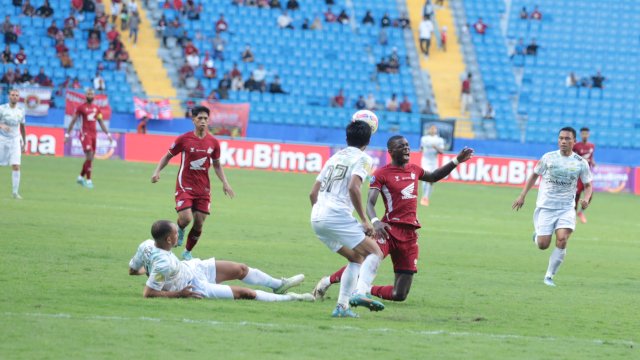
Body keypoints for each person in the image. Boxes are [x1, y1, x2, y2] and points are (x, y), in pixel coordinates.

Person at [313, 136, 474, 302]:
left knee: (400, 294)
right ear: (390, 151)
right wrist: (375, 222)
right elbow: (370, 202)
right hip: (388, 231)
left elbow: (433, 176)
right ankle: (327, 281)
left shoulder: (414, 169)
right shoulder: (382, 174)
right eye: (401, 146)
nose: (406, 148)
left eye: (407, 146)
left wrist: (456, 161)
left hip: (410, 235)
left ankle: (365, 289)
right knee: (366, 259)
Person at [309, 120, 385, 318]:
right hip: (335, 215)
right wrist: (364, 220)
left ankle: (342, 307)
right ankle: (360, 293)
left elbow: (312, 193)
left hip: (316, 217)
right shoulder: (364, 159)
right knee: (375, 253)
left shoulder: (334, 157)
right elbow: (353, 187)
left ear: (346, 138)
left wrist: (321, 215)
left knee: (356, 257)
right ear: (368, 141)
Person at [130, 220, 313, 302]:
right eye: (176, 233)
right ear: (169, 240)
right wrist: (179, 294)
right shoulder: (163, 264)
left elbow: (132, 269)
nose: (179, 235)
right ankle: (291, 299)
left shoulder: (146, 244)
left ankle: (279, 284)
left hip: (192, 267)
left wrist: (146, 270)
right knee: (245, 293)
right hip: (194, 287)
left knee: (240, 269)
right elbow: (149, 293)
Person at [151, 105, 234, 260]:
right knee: (186, 218)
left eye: (205, 118)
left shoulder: (213, 143)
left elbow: (216, 165)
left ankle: (187, 251)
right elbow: (167, 156)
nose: (203, 121)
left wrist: (225, 183)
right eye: (200, 118)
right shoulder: (184, 139)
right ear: (193, 120)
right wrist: (157, 171)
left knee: (199, 223)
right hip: (185, 185)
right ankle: (180, 229)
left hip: (203, 188)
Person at [512, 127, 593, 287]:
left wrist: (586, 198)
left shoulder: (580, 163)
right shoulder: (548, 158)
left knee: (562, 239)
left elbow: (588, 185)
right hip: (546, 207)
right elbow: (534, 175)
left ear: (574, 141)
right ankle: (537, 236)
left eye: (567, 139)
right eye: (561, 138)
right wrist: (522, 195)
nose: (563, 141)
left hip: (566, 208)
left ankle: (549, 276)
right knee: (543, 245)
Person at [64, 89, 113, 189]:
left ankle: (80, 177)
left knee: (90, 158)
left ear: (94, 96)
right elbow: (73, 121)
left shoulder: (97, 108)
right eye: (88, 94)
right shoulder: (81, 108)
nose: (90, 95)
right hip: (84, 134)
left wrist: (108, 134)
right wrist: (67, 135)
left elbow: (101, 122)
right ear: (85, 96)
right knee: (90, 155)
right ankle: (89, 180)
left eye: (91, 94)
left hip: (94, 135)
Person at [0, 89, 26, 199]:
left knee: (16, 165)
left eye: (16, 95)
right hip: (2, 139)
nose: (14, 96)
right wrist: (1, 126)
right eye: (12, 95)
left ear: (19, 97)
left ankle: (15, 193)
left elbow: (23, 127)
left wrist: (24, 142)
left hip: (15, 140)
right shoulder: (2, 108)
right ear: (9, 96)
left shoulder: (21, 110)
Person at [572, 127, 595, 224]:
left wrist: (593, 162)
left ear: (589, 134)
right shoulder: (576, 146)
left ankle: (581, 212)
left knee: (590, 195)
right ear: (580, 135)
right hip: (578, 175)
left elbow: (590, 157)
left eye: (586, 133)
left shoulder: (592, 146)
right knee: (576, 196)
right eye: (583, 133)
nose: (585, 135)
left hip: (587, 175)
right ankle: (573, 215)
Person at [419, 125, 445, 206]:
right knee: (424, 178)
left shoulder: (439, 140)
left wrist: (435, 147)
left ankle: (426, 197)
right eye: (431, 128)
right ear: (429, 130)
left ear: (436, 130)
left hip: (434, 161)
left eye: (434, 128)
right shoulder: (424, 138)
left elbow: (441, 152)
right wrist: (421, 149)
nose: (432, 130)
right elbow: (421, 148)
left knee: (432, 179)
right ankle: (424, 196)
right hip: (425, 160)